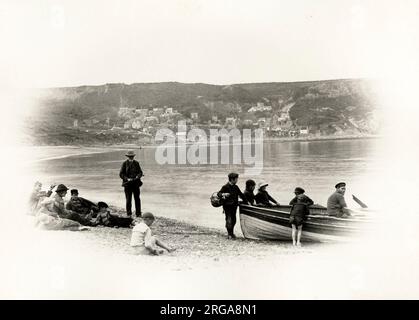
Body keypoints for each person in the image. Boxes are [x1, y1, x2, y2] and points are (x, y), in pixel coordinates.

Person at [217, 172, 248, 239]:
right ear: (232, 179)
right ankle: (229, 234)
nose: (237, 180)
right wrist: (224, 194)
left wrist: (247, 202)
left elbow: (241, 195)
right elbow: (219, 194)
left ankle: (231, 233)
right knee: (229, 219)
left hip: (234, 206)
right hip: (227, 206)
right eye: (236, 179)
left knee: (234, 220)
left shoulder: (236, 187)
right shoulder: (225, 186)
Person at [119, 150, 143, 217]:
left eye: (132, 156)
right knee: (128, 199)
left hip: (136, 184)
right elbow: (121, 174)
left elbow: (140, 172)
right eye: (130, 156)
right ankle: (129, 214)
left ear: (133, 156)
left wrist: (138, 176)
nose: (131, 157)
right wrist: (127, 179)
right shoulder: (124, 164)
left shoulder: (137, 163)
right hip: (127, 185)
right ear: (127, 157)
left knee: (137, 199)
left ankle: (138, 214)